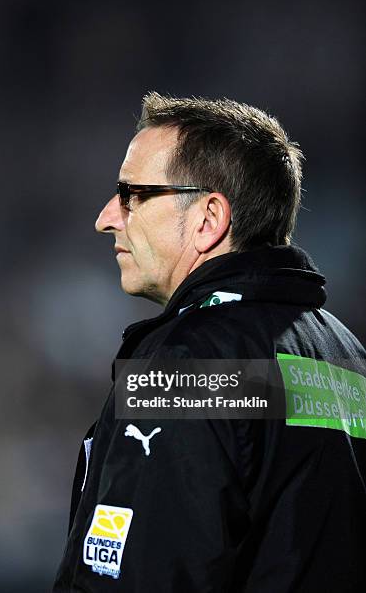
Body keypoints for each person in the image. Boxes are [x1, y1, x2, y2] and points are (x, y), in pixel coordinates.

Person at [53, 93, 366, 592]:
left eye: (133, 194)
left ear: (207, 219)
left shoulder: (184, 364)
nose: (107, 216)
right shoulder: (347, 354)